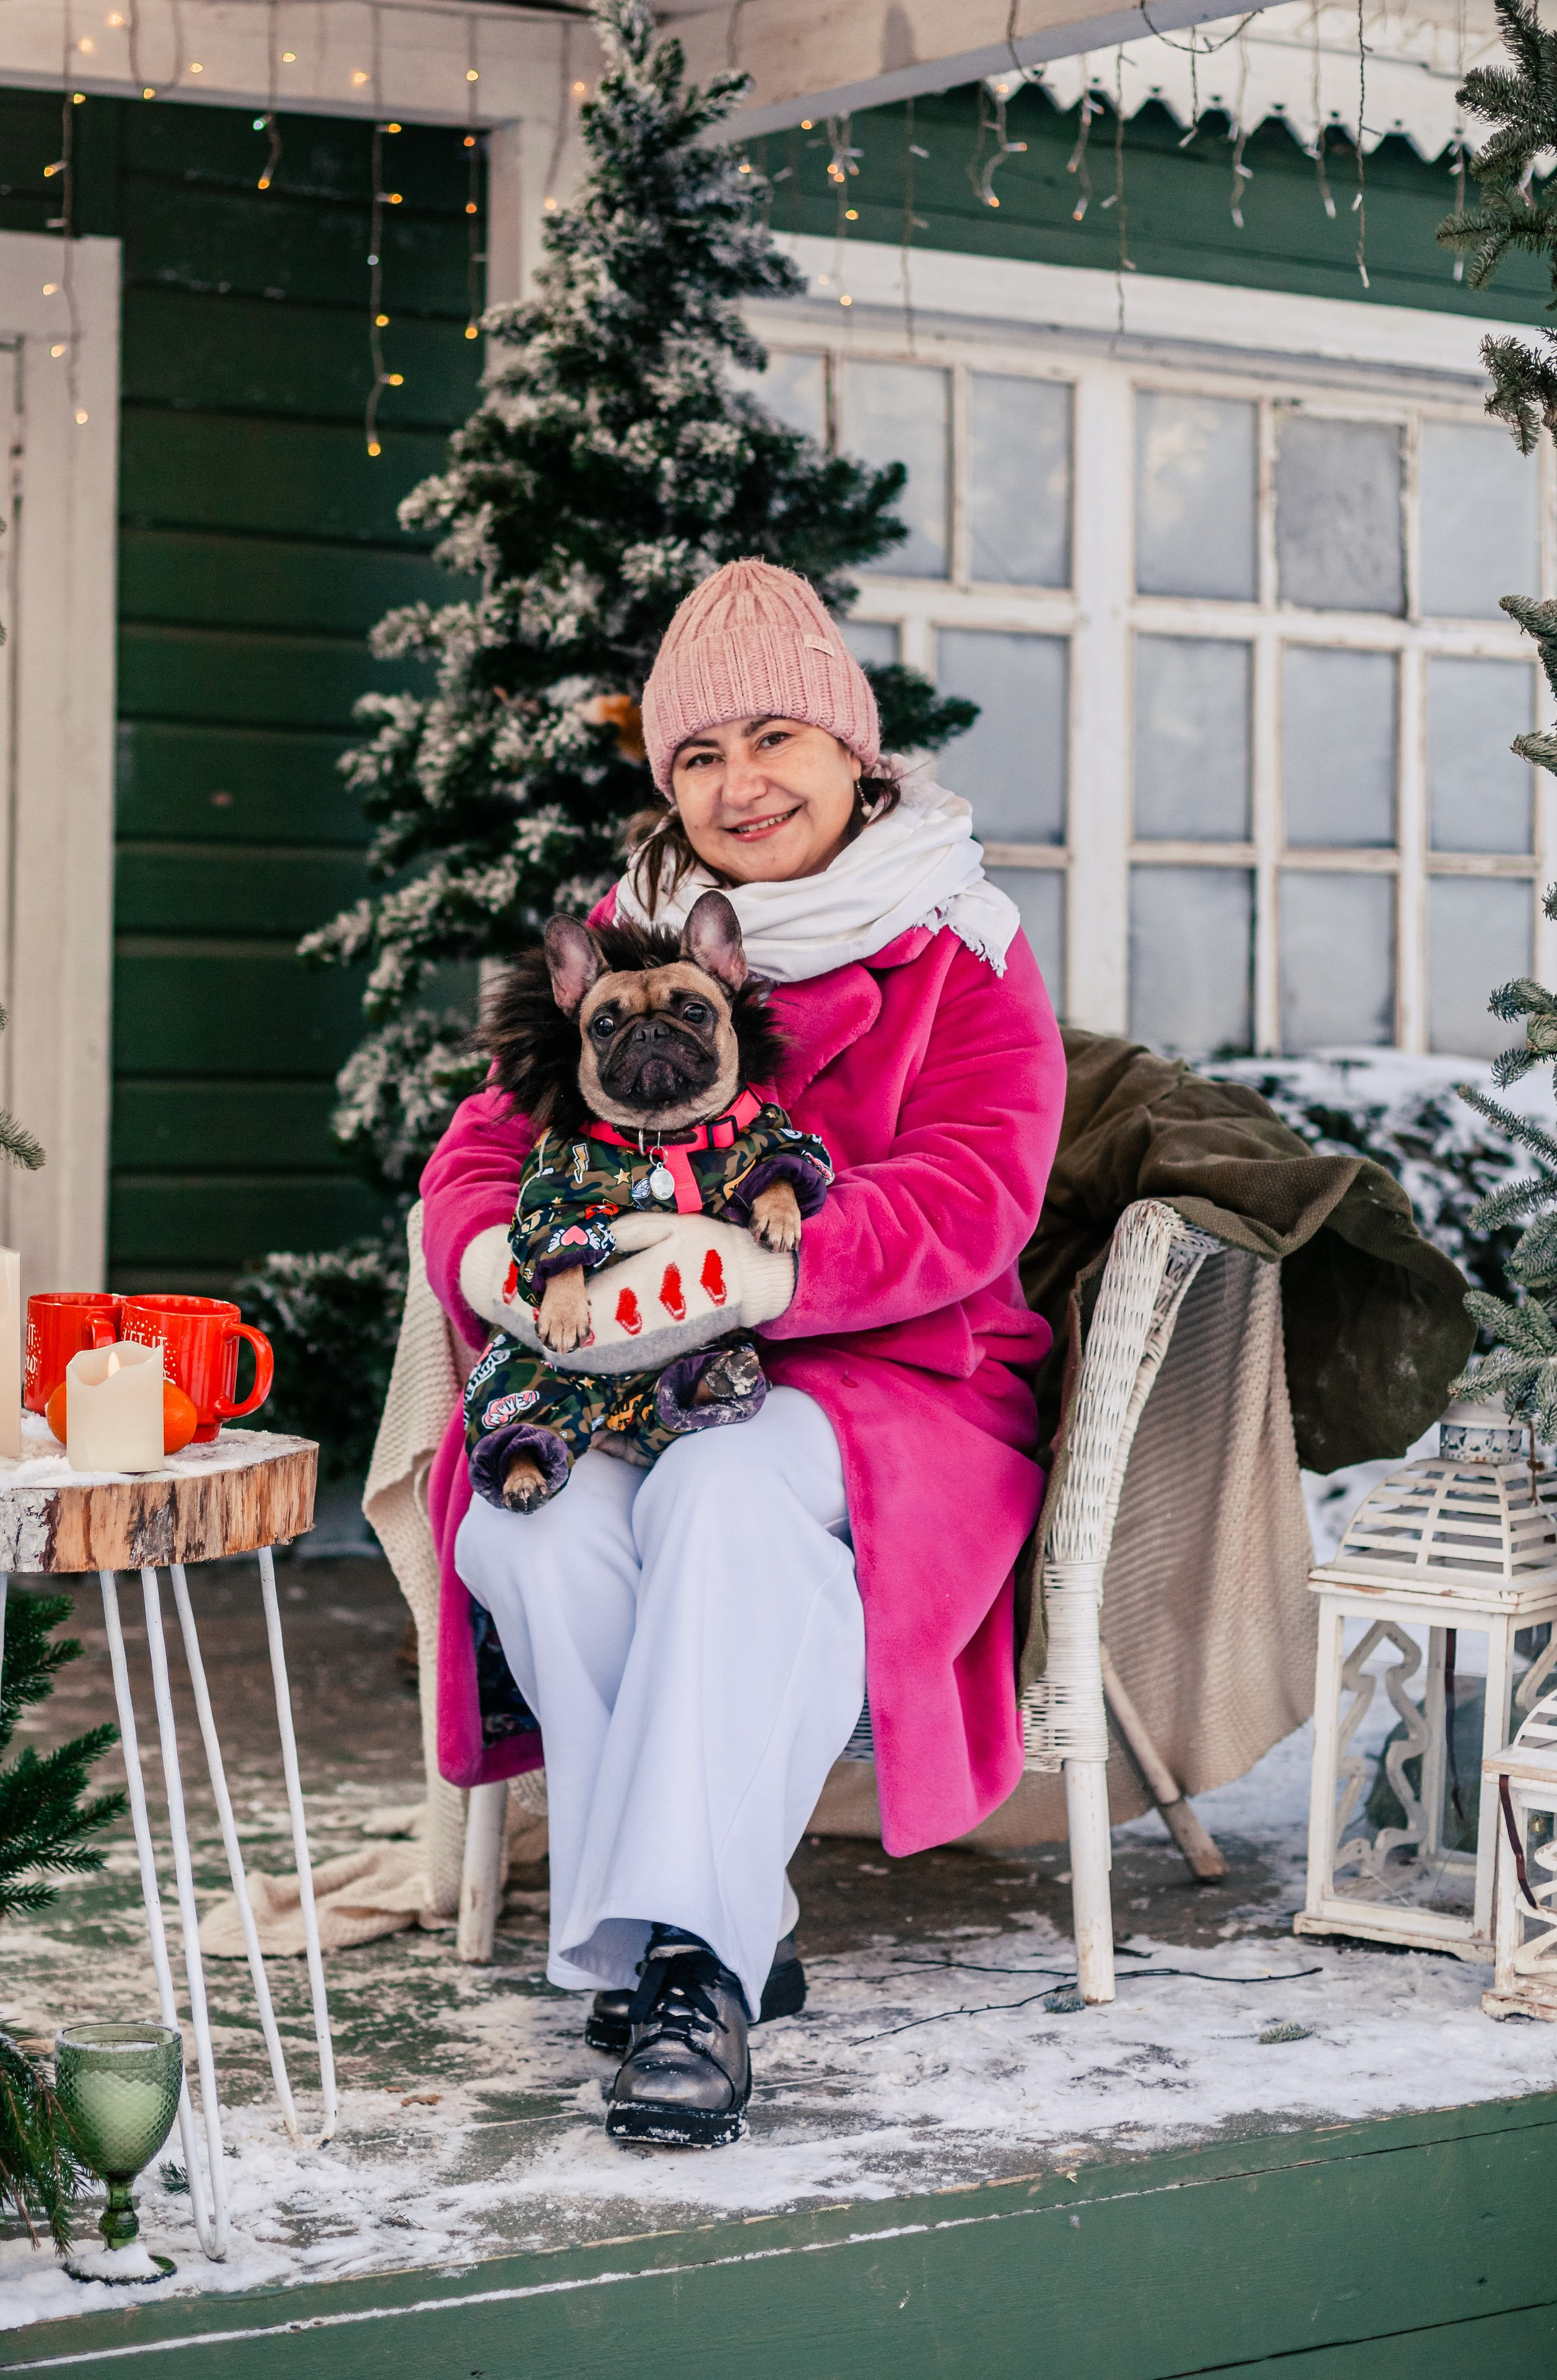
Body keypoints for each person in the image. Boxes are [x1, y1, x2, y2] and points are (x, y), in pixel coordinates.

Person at [418, 556, 1066, 2147]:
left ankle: (685, 1970)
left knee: (716, 1496)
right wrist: (499, 1259)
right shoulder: (623, 940)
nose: (738, 783)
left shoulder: (957, 947)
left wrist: (760, 1266)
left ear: (856, 751)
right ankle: (705, 1930)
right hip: (615, 1372)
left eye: (774, 737)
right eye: (697, 755)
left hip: (886, 1383)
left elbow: (975, 1194)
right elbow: (475, 1160)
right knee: (538, 1523)